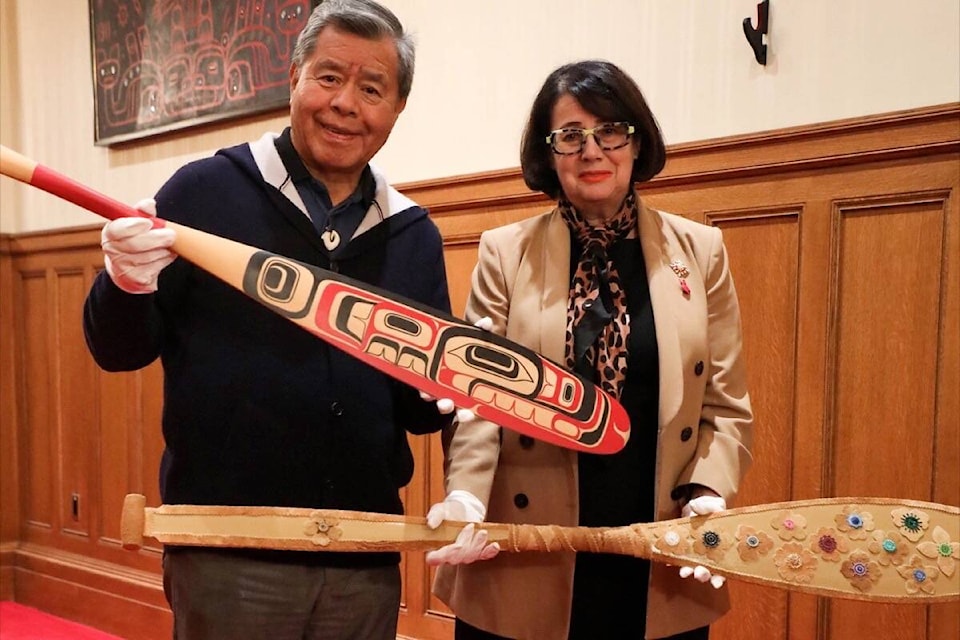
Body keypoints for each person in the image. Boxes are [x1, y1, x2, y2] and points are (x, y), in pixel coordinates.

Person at [82, 1, 453, 638]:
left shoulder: (411, 234)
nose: (345, 103)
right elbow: (119, 350)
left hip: (362, 554)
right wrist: (124, 279)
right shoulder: (204, 193)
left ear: (395, 110)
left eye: (371, 89)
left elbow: (417, 410)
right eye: (329, 77)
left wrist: (443, 391)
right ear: (294, 77)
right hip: (228, 553)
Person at [426, 60, 754, 640]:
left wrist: (708, 490)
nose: (593, 150)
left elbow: (725, 406)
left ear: (636, 140)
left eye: (610, 131)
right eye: (571, 136)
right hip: (529, 543)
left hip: (658, 540)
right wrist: (466, 497)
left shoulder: (700, 252)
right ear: (548, 153)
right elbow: (478, 391)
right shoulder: (505, 253)